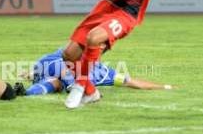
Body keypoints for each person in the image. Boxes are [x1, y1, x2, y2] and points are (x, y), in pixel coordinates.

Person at [14, 48, 172, 97]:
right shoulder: (71, 53)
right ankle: (74, 86)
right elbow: (49, 61)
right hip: (49, 66)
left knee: (55, 84)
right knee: (63, 73)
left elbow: (131, 82)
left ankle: (25, 92)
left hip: (50, 77)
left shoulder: (104, 72)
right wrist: (32, 71)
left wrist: (164, 87)